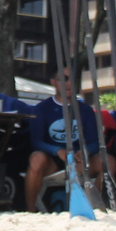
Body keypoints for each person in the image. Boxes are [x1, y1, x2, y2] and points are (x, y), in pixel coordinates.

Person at [21, 77, 104, 209]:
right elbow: (36, 142)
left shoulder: (85, 110)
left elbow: (95, 142)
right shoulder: (41, 109)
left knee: (108, 162)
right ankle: (30, 210)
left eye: (72, 78)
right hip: (53, 161)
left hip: (79, 161)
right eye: (64, 79)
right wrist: (57, 151)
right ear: (53, 81)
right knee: (36, 158)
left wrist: (85, 152)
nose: (69, 83)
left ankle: (94, 206)